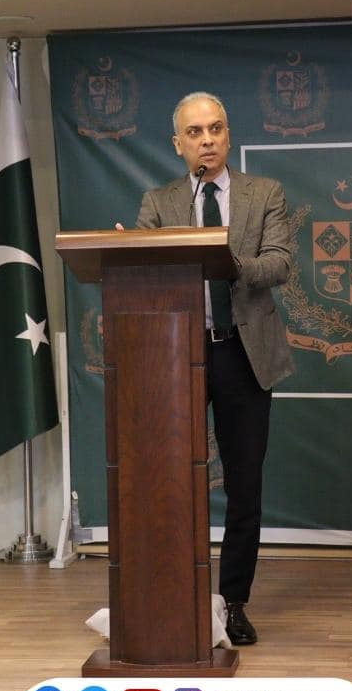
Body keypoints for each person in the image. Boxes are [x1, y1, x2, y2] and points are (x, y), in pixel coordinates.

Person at [120, 91, 294, 644]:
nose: (207, 140)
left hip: (243, 354)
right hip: (177, 356)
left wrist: (231, 263)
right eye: (194, 133)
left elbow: (280, 262)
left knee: (244, 487)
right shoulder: (159, 203)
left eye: (215, 128)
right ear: (178, 144)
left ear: (228, 135)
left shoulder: (264, 193)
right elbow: (142, 269)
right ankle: (175, 594)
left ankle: (234, 602)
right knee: (172, 482)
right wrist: (127, 256)